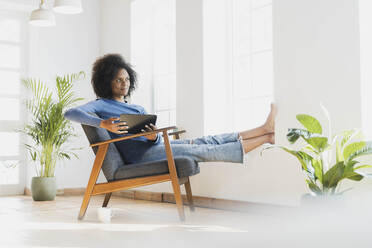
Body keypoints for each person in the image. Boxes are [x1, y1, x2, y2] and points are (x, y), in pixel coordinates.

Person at [64, 53, 277, 165]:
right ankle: (267, 138)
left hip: (152, 147)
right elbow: (70, 113)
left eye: (127, 79)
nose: (124, 83)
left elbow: (152, 136)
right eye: (118, 80)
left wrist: (151, 136)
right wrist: (102, 123)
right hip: (139, 158)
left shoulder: (136, 107)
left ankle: (263, 129)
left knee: (205, 141)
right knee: (202, 150)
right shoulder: (100, 104)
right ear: (106, 81)